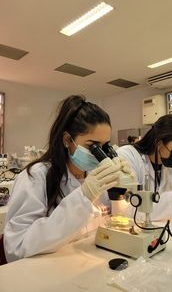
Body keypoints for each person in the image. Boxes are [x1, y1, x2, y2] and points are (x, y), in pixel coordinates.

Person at [3, 95, 133, 263]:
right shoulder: (37, 176)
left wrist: (125, 188)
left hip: (88, 265)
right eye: (92, 146)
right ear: (67, 140)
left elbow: (113, 224)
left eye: (104, 146)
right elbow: (17, 247)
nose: (99, 154)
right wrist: (83, 197)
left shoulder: (95, 175)